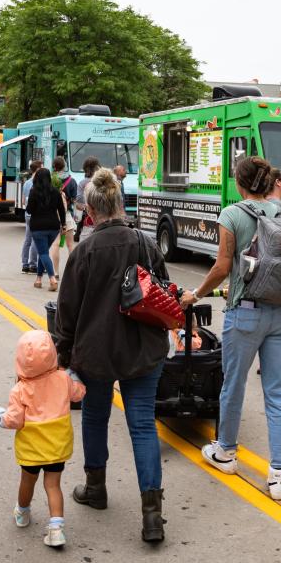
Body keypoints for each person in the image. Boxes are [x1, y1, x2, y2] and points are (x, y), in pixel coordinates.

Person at [54, 168, 170, 543]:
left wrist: (64, 357)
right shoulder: (145, 243)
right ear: (120, 203)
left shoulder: (84, 251)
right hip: (143, 349)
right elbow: (164, 291)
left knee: (95, 416)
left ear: (90, 211)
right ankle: (152, 513)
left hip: (96, 351)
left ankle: (95, 488)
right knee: (141, 425)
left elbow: (66, 312)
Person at [181, 156, 281, 502]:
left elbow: (222, 266)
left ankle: (225, 451)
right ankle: (278, 475)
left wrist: (195, 294)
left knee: (234, 384)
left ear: (240, 183)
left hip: (245, 313)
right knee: (277, 393)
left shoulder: (232, 214)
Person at [0, 329, 86, 549]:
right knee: (53, 485)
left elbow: (13, 421)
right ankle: (56, 530)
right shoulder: (62, 379)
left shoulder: (19, 389)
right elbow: (78, 394)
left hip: (31, 448)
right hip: (56, 445)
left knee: (27, 481)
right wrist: (75, 377)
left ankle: (22, 513)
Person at [26, 167, 66, 291]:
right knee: (43, 252)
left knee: (43, 253)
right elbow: (61, 209)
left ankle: (52, 279)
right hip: (53, 227)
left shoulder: (34, 192)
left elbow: (29, 210)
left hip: (38, 227)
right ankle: (38, 279)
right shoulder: (55, 191)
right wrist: (63, 224)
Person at [48, 156, 78, 271]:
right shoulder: (71, 181)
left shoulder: (50, 180)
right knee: (70, 245)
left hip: (52, 215)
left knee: (55, 244)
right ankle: (73, 271)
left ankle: (55, 272)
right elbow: (75, 200)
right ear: (64, 166)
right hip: (66, 214)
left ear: (53, 166)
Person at [20, 159, 43, 273]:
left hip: (27, 214)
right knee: (35, 239)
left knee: (27, 239)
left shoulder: (27, 183)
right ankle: (33, 264)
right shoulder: (39, 183)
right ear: (38, 169)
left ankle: (24, 264)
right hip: (37, 214)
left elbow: (24, 201)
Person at [74, 157, 101, 243]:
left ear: (85, 168)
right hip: (103, 218)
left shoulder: (83, 183)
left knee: (85, 246)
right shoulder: (103, 182)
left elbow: (79, 199)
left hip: (88, 219)